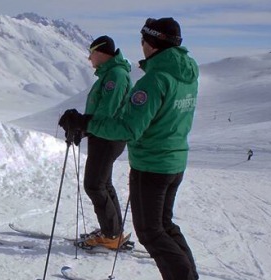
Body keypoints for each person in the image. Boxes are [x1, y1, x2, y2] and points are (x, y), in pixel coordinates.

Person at [58, 17, 199, 279]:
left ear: (153, 43)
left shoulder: (154, 81)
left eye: (143, 41)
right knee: (164, 226)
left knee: (150, 231)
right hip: (173, 161)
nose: (141, 46)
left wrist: (84, 123)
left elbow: (126, 127)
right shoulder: (187, 74)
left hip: (152, 164)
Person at [65, 35, 132, 249]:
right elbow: (99, 113)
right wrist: (83, 129)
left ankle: (111, 235)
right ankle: (113, 231)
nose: (89, 58)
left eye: (91, 52)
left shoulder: (115, 76)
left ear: (101, 52)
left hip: (107, 138)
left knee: (94, 185)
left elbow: (106, 114)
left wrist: (83, 124)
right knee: (103, 183)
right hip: (102, 136)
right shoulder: (109, 75)